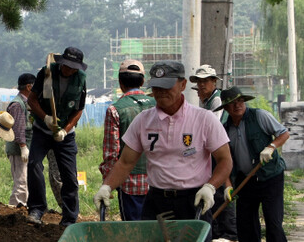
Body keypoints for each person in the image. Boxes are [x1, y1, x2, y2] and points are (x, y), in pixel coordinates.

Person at [93, 61, 233, 241]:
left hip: (194, 201)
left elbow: (225, 160)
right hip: (156, 201)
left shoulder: (203, 119)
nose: (161, 92)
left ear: (182, 85)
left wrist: (210, 187)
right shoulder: (143, 120)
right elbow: (126, 162)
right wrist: (107, 186)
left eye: (167, 86)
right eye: (157, 87)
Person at [215, 86, 289, 242]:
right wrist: (228, 186)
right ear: (226, 108)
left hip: (270, 177)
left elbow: (284, 133)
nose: (238, 105)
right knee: (246, 226)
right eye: (233, 103)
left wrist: (271, 147)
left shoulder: (260, 116)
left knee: (273, 223)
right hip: (245, 180)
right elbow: (224, 161)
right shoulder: (225, 130)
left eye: (240, 101)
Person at [26, 47, 87, 227]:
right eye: (67, 66)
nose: (69, 70)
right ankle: (37, 209)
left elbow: (79, 110)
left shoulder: (81, 79)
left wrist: (65, 130)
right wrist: (45, 117)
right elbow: (32, 100)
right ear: (61, 63)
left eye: (74, 67)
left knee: (69, 175)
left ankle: (69, 218)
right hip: (41, 130)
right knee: (34, 164)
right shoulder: (46, 74)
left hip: (65, 136)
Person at [99, 59, 155, 221]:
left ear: (120, 82)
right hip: (159, 182)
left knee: (134, 231)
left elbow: (112, 152)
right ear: (143, 81)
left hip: (130, 183)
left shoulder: (115, 109)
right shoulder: (158, 105)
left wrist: (108, 183)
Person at [190, 65, 237, 241]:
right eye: (199, 82)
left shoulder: (217, 101)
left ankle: (229, 233)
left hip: (220, 149)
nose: (201, 86)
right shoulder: (207, 101)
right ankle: (218, 231)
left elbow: (210, 128)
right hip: (213, 149)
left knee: (222, 188)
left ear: (214, 82)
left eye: (205, 82)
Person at [5, 73, 36, 206]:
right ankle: (16, 207)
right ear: (29, 87)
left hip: (26, 148)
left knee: (25, 181)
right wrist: (23, 147)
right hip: (19, 150)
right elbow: (18, 128)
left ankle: (23, 206)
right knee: (21, 181)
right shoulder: (17, 104)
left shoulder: (27, 103)